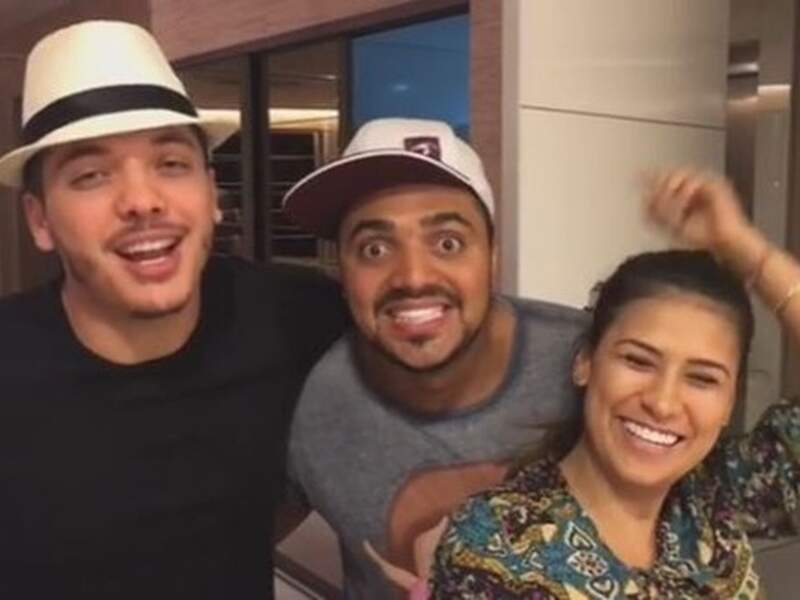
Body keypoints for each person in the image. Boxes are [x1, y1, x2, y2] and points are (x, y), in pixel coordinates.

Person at [0, 21, 346, 599]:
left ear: (212, 194)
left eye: (170, 163)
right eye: (91, 175)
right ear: (40, 221)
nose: (142, 201)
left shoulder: (297, 315)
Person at [428, 169, 800, 599]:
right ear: (585, 363)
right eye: (638, 361)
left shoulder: (718, 495)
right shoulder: (496, 544)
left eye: (702, 379)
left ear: (730, 400)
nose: (663, 402)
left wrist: (746, 250)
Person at [281, 117, 588, 598]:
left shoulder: (590, 364)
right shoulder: (307, 397)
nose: (413, 277)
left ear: (492, 256)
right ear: (342, 271)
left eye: (447, 243)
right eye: (374, 248)